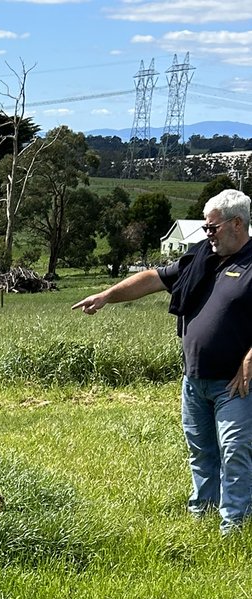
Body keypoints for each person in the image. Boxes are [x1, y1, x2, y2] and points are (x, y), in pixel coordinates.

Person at [73, 188, 252, 533]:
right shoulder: (202, 256)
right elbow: (154, 278)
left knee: (235, 453)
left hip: (234, 384)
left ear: (237, 224)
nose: (207, 234)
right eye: (205, 227)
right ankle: (202, 514)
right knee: (201, 452)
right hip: (194, 380)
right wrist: (107, 295)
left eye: (212, 227)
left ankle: (235, 526)